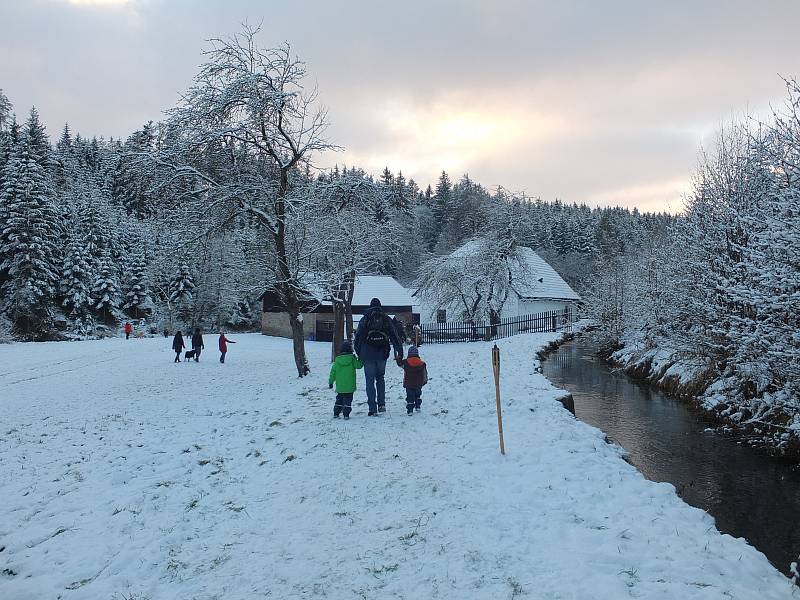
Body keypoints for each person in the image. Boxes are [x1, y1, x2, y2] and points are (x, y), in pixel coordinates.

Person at [354, 298, 403, 416]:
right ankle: (381, 404)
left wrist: (359, 352)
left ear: (370, 306)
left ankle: (372, 408)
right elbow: (394, 335)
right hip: (382, 353)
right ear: (380, 306)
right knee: (380, 378)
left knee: (369, 380)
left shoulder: (365, 318)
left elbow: (358, 337)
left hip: (367, 354)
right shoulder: (386, 319)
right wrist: (399, 351)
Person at [328, 340, 363, 419]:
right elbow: (359, 366)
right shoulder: (352, 359)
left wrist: (331, 382)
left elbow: (333, 372)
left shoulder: (337, 360)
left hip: (340, 386)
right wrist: (360, 358)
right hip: (350, 386)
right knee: (348, 400)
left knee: (339, 399)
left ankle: (336, 413)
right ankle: (346, 414)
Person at [396, 346, 428, 415]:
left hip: (409, 383)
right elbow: (424, 373)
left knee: (410, 396)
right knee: (418, 395)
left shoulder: (405, 362)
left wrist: (398, 358)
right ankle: (418, 406)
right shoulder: (422, 364)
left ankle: (410, 410)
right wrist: (424, 381)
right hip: (419, 383)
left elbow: (400, 364)